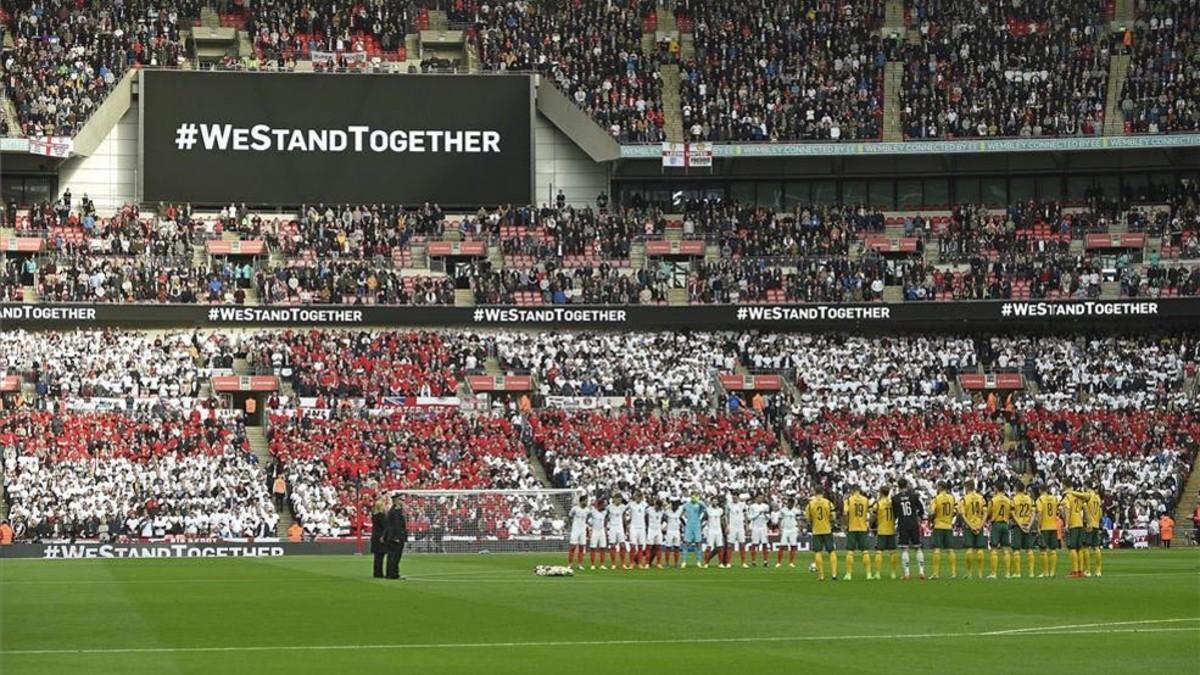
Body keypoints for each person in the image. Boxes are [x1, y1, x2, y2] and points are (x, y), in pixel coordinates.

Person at [892, 478, 925, 580]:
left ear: (898, 486)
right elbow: (921, 509)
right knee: (918, 547)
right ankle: (921, 572)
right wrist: (919, 516)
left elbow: (895, 514)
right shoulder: (913, 496)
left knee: (904, 549)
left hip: (903, 524)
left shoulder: (895, 498)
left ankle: (907, 574)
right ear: (906, 485)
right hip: (913, 523)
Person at [805, 486, 836, 581]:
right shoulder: (828, 503)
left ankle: (821, 575)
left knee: (818, 551)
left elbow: (807, 518)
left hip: (816, 530)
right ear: (823, 492)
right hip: (827, 529)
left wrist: (812, 521)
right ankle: (834, 574)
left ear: (815, 492)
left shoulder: (810, 504)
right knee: (831, 551)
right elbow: (833, 516)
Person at [959, 480, 987, 579]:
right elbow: (985, 513)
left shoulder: (964, 499)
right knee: (980, 550)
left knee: (969, 549)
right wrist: (980, 525)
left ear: (966, 487)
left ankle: (969, 573)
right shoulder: (981, 498)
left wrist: (971, 526)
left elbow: (962, 515)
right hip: (979, 524)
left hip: (969, 526)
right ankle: (980, 573)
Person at [842, 484, 871, 581]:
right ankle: (868, 574)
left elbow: (845, 513)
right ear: (859, 490)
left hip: (852, 528)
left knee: (850, 552)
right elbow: (870, 513)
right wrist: (868, 523)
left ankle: (848, 574)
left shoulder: (848, 500)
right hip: (863, 528)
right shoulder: (865, 500)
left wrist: (846, 525)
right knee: (865, 551)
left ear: (852, 490)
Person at [930, 481, 957, 579]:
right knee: (950, 550)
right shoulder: (952, 498)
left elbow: (932, 512)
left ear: (940, 487)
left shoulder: (936, 498)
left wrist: (930, 521)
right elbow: (955, 511)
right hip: (948, 526)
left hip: (938, 525)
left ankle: (935, 573)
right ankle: (953, 573)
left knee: (937, 549)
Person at [986, 480, 1013, 579]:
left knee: (993, 548)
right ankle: (1007, 573)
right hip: (1005, 524)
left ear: (996, 488)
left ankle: (993, 573)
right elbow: (1011, 513)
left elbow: (988, 513)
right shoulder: (1008, 500)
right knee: (1006, 549)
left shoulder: (993, 500)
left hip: (996, 524)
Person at [1011, 482, 1037, 578]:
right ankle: (1031, 573)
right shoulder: (1030, 499)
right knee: (1029, 550)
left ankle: (1017, 573)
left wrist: (1020, 526)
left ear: (1017, 489)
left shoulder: (1014, 499)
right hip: (1027, 525)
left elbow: (1013, 514)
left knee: (1016, 550)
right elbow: (1034, 514)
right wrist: (1029, 526)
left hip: (1018, 526)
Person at [872, 486, 898, 580]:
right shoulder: (893, 503)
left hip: (882, 529)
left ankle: (878, 573)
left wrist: (871, 523)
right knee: (892, 552)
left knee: (879, 551)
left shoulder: (878, 504)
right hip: (891, 529)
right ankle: (893, 573)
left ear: (881, 492)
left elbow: (873, 516)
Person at [1035, 486, 1061, 578]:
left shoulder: (1040, 500)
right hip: (1053, 526)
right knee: (1053, 550)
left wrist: (1038, 526)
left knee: (1043, 550)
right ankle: (1052, 572)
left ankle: (1045, 572)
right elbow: (1059, 510)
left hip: (1044, 526)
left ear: (1040, 490)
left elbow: (1040, 513)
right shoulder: (1054, 498)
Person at [1064, 482, 1088, 577]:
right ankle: (1080, 571)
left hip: (1073, 524)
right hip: (1080, 523)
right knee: (1079, 548)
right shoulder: (1080, 497)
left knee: (1072, 547)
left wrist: (1066, 524)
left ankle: (1074, 571)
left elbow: (1067, 511)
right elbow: (1085, 508)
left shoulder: (1068, 497)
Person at [384, 494, 408, 580]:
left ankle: (389, 573)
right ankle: (394, 574)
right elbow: (397, 525)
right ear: (397, 501)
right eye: (401, 500)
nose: (402, 501)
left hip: (391, 536)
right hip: (396, 536)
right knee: (395, 556)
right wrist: (397, 537)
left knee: (391, 555)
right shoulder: (396, 512)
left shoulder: (392, 510)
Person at [775, 497, 801, 568]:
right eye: (790, 503)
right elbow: (779, 519)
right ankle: (779, 562)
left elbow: (798, 519)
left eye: (792, 504)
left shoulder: (796, 510)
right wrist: (780, 529)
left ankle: (791, 562)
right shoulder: (783, 510)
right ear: (788, 503)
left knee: (793, 546)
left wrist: (798, 528)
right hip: (785, 529)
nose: (791, 505)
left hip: (793, 529)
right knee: (782, 546)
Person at [747, 494, 771, 568]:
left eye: (761, 497)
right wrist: (758, 514)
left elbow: (769, 517)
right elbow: (750, 517)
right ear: (756, 498)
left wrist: (765, 514)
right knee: (754, 544)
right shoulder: (752, 506)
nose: (760, 499)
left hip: (763, 526)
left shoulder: (766, 506)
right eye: (759, 498)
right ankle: (753, 561)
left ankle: (765, 561)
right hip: (755, 527)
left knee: (765, 544)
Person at [681, 493, 704, 568]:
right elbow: (680, 514)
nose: (694, 497)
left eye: (695, 496)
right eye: (692, 496)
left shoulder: (699, 504)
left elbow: (705, 508)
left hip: (697, 526)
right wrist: (684, 523)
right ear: (690, 496)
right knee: (686, 544)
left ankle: (699, 562)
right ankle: (684, 562)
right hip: (689, 526)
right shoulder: (686, 505)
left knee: (698, 544)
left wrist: (699, 501)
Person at [606, 494, 628, 569]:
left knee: (622, 545)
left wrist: (626, 527)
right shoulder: (609, 507)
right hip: (612, 527)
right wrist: (605, 527)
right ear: (614, 499)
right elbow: (606, 517)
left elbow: (624, 517)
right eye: (618, 499)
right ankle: (613, 564)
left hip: (620, 527)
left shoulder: (623, 507)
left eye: (620, 499)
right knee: (612, 546)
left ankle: (623, 563)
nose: (619, 500)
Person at [703, 498, 726, 569]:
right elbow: (705, 517)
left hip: (718, 530)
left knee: (720, 547)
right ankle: (706, 563)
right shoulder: (708, 509)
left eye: (716, 501)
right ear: (711, 502)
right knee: (709, 546)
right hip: (711, 530)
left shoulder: (720, 510)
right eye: (713, 501)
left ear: (718, 502)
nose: (715, 502)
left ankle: (720, 563)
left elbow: (723, 519)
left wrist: (725, 528)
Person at [627, 491, 649, 569]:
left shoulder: (645, 505)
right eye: (637, 496)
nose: (638, 498)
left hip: (642, 527)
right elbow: (623, 511)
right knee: (632, 546)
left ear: (642, 497)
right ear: (635, 497)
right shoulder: (631, 504)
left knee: (640, 546)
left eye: (640, 496)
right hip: (633, 527)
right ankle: (632, 563)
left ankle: (639, 563)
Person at [567, 495, 589, 569]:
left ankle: (580, 564)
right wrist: (571, 525)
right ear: (581, 501)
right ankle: (570, 564)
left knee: (581, 547)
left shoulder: (587, 510)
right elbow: (569, 516)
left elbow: (588, 518)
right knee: (572, 547)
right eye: (585, 501)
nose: (587, 502)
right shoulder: (575, 509)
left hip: (583, 530)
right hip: (575, 529)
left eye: (587, 501)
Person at [727, 493, 748, 567]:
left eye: (735, 498)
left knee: (742, 544)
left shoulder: (742, 505)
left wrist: (747, 526)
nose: (734, 499)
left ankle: (743, 562)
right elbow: (726, 516)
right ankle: (729, 562)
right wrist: (727, 526)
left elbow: (745, 516)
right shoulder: (729, 505)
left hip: (740, 527)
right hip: (732, 526)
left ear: (738, 498)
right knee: (730, 545)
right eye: (733, 498)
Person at [370, 497, 389, 579]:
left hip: (375, 536)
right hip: (380, 536)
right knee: (380, 556)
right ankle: (379, 573)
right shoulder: (381, 516)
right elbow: (385, 526)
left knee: (377, 556)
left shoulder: (374, 515)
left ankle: (376, 572)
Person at [588, 499, 608, 570]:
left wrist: (605, 527)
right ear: (599, 505)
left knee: (602, 548)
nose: (604, 506)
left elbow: (606, 519)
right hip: (595, 531)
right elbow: (587, 517)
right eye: (603, 504)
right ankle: (592, 564)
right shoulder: (593, 512)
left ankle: (602, 564)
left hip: (602, 531)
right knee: (593, 548)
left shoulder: (604, 512)